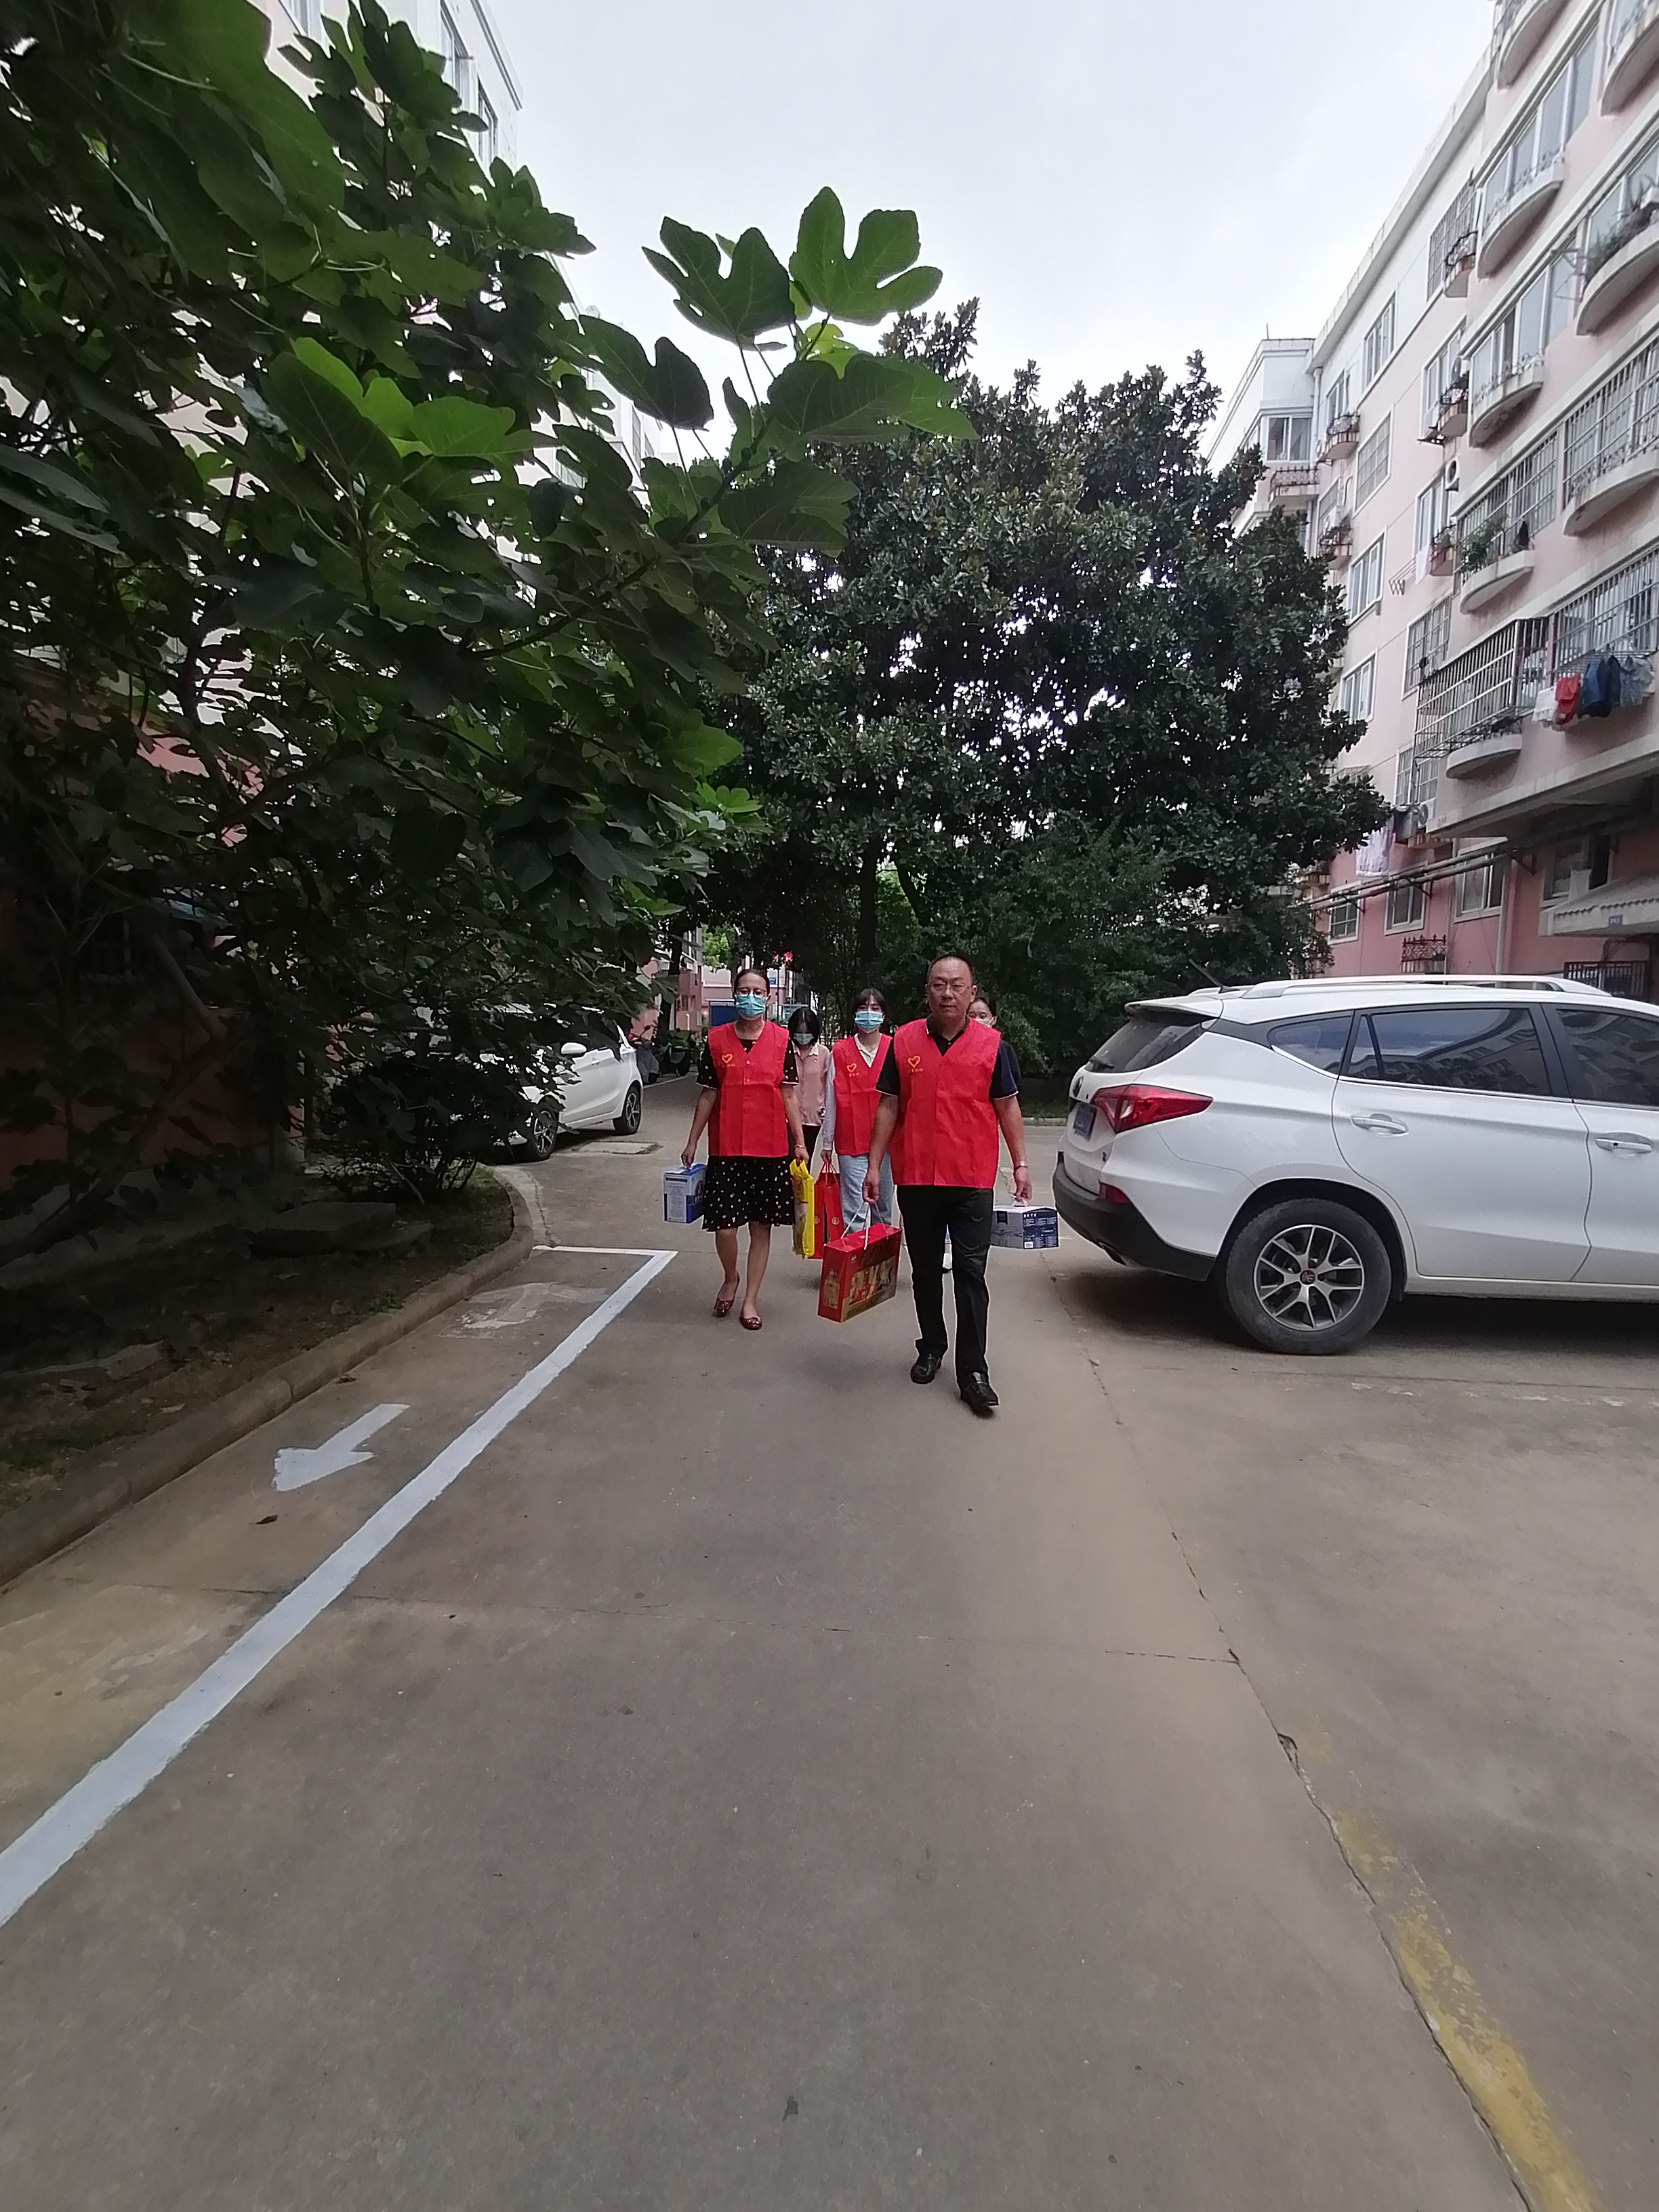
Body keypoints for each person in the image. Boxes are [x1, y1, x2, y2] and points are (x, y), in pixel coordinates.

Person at [863, 952, 1031, 1417]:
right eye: (939, 984)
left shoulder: (993, 1047)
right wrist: (874, 1165)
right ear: (928, 992)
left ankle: (973, 1371)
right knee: (924, 1270)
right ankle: (932, 1344)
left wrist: (1020, 1164)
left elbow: (1008, 1107)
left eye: (957, 985)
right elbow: (889, 1106)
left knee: (971, 1274)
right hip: (917, 1175)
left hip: (971, 1179)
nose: (948, 993)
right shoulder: (903, 1043)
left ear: (972, 993)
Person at [682, 966, 806, 1331]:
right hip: (727, 1148)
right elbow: (708, 1094)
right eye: (744, 990)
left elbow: (789, 1095)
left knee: (761, 1226)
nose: (751, 997)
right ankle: (730, 1276)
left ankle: (750, 1300)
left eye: (758, 992)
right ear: (735, 995)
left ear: (767, 998)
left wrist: (799, 1142)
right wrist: (692, 1140)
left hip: (770, 1149)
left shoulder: (782, 1041)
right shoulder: (716, 1041)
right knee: (724, 1227)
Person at [821, 989, 896, 1233]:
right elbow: (831, 1097)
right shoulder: (840, 1051)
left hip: (887, 1143)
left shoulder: (894, 1049)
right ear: (854, 1014)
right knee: (855, 1213)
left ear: (883, 1015)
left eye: (875, 1009)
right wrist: (827, 1142)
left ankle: (881, 1256)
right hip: (851, 1143)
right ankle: (857, 1257)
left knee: (883, 1210)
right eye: (863, 1008)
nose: (869, 1014)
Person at [788, 1006, 830, 1164]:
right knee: (788, 1160)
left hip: (813, 1118)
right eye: (799, 1032)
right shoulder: (787, 1052)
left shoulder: (824, 1054)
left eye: (807, 1032)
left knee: (806, 1161)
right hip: (789, 1118)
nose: (803, 1036)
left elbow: (828, 1086)